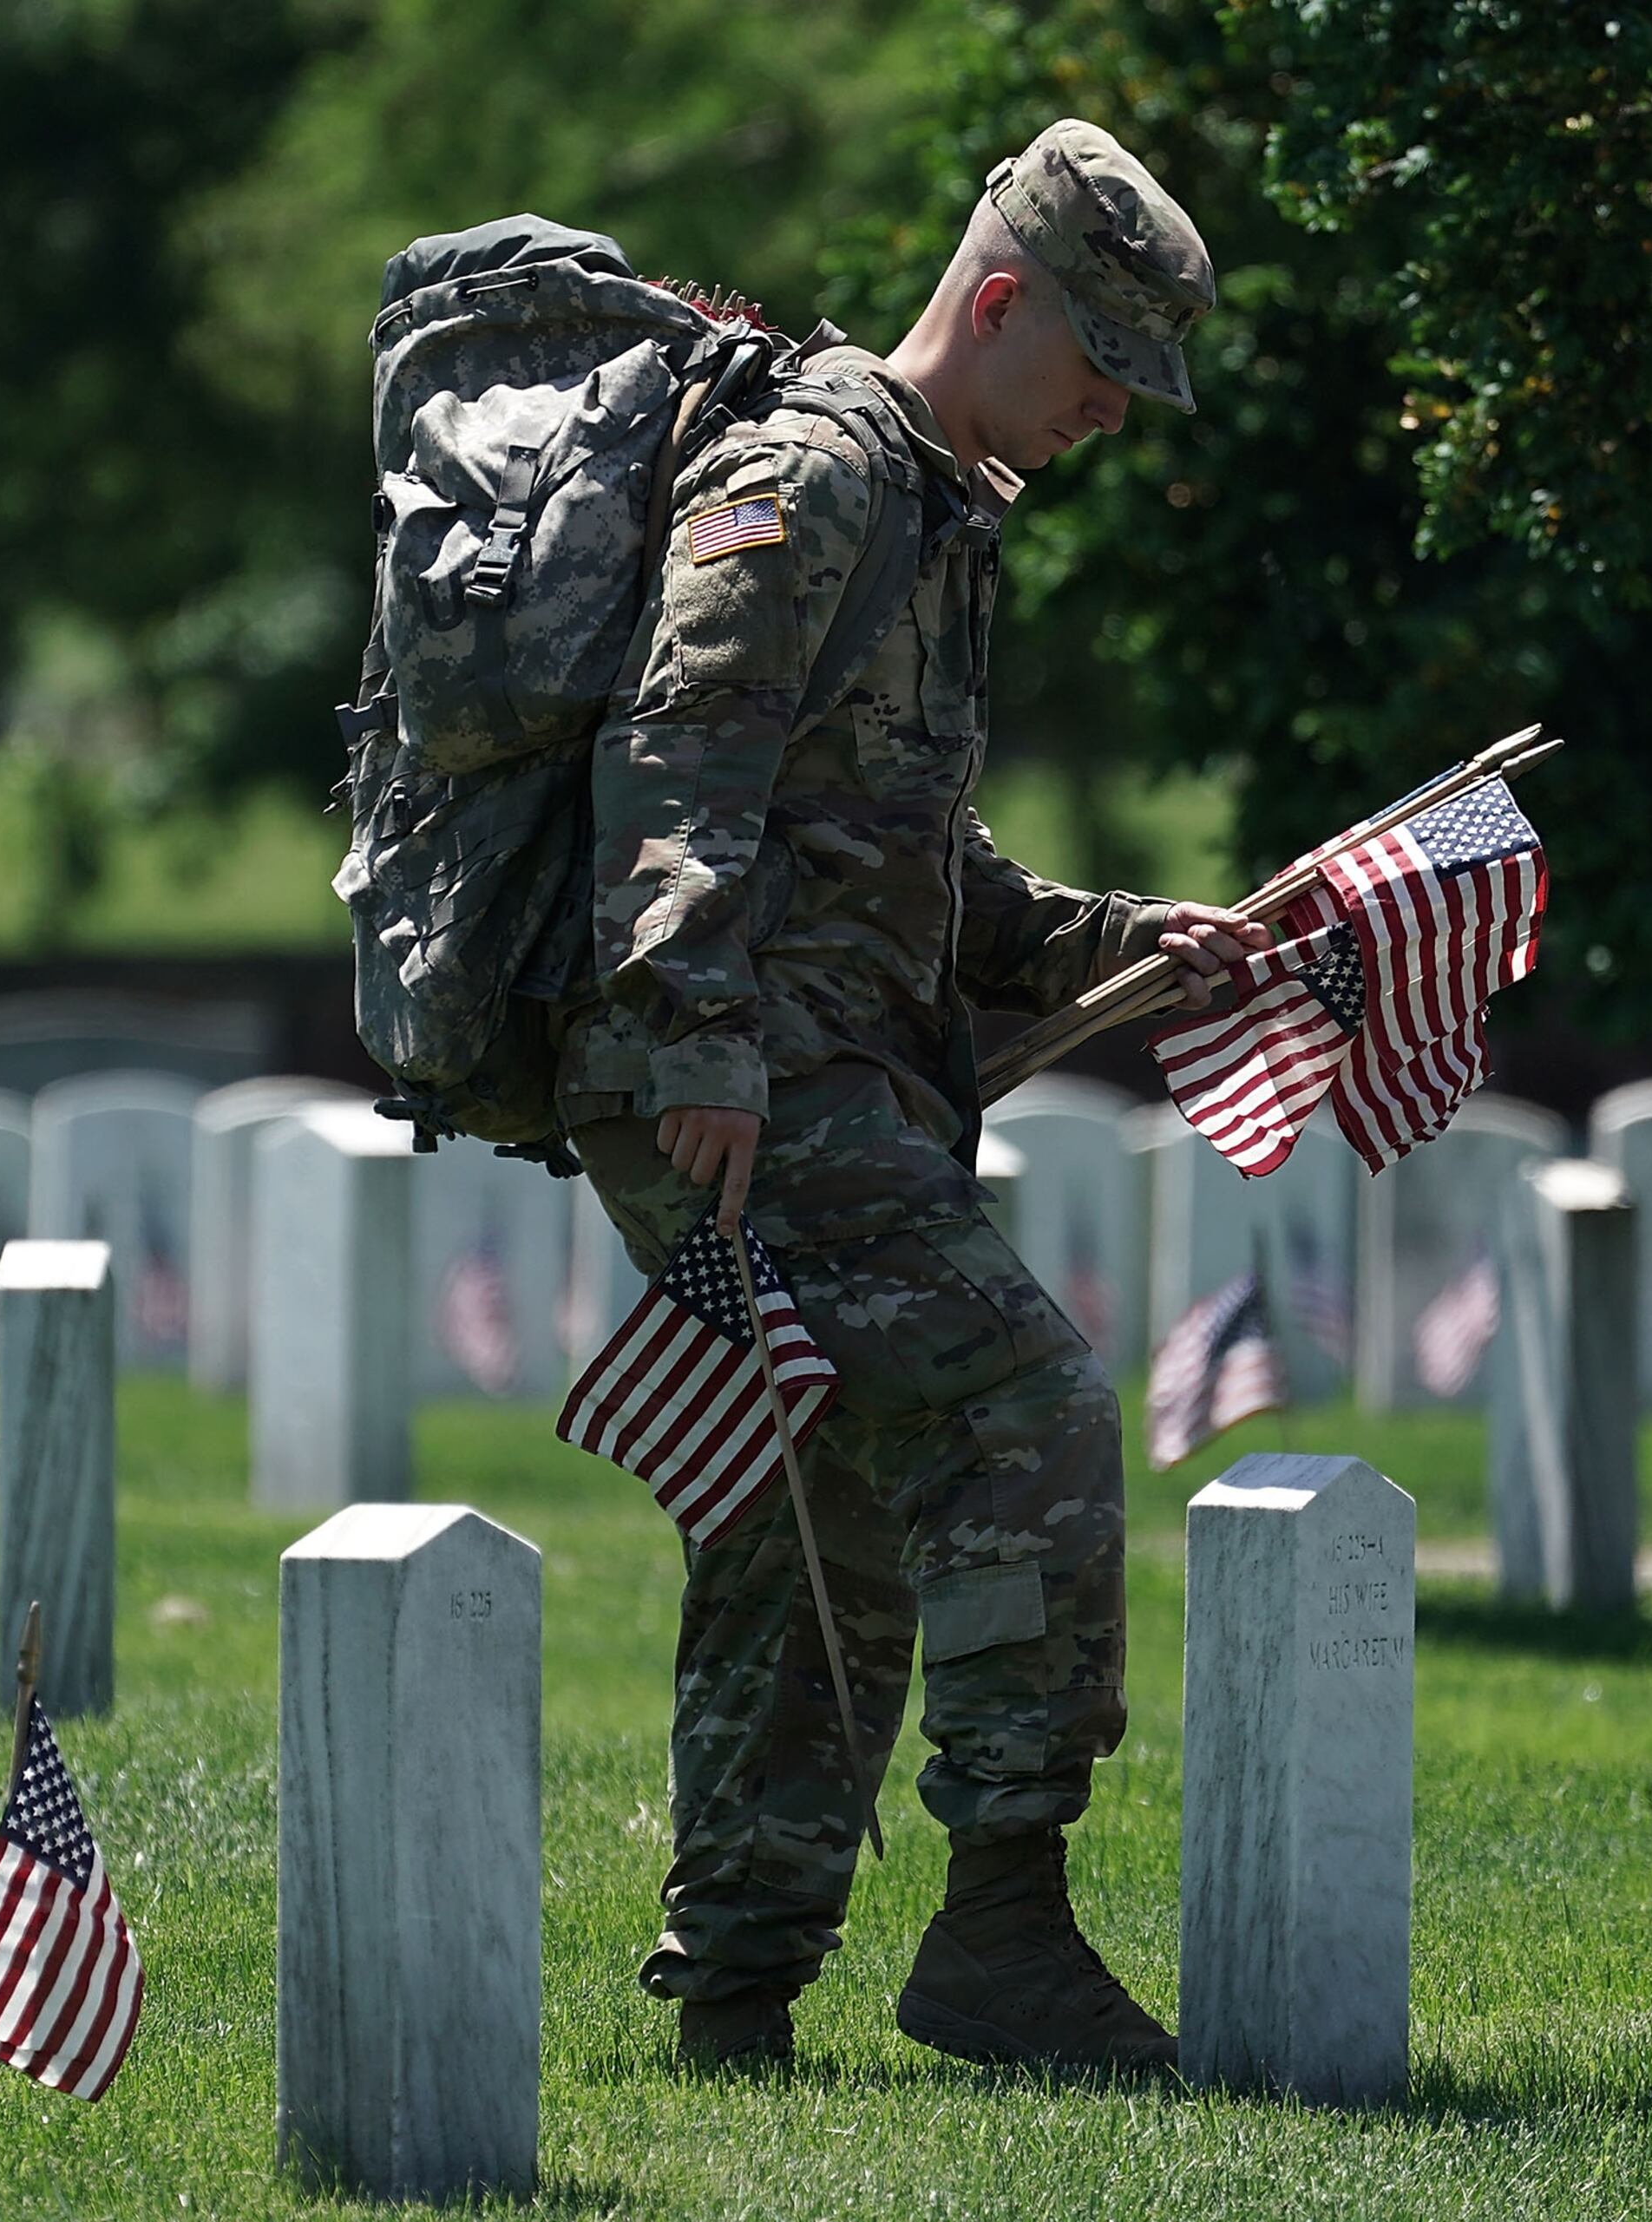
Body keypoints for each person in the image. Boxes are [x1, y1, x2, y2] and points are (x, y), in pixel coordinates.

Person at [554, 119, 1264, 2072]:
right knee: (1019, 1399)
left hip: (818, 1064)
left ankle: (737, 1994)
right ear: (1006, 295)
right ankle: (1007, 1927)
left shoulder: (942, 513)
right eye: (1101, 365)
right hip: (741, 1075)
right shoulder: (818, 471)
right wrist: (698, 1030)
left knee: (818, 1522)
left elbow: (897, 847)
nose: (1116, 414)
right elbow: (676, 748)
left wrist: (1117, 936)